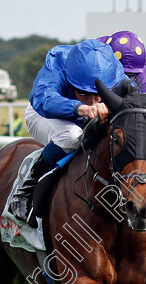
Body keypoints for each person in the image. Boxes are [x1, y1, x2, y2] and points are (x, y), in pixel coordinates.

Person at [8, 39, 126, 222]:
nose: (93, 101)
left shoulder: (114, 72)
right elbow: (43, 99)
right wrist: (81, 108)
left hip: (79, 118)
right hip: (45, 114)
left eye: (99, 95)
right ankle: (27, 185)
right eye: (85, 94)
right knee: (72, 136)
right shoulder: (58, 61)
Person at [100, 30, 146, 97]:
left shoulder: (145, 70)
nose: (126, 78)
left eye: (131, 75)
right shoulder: (95, 55)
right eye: (122, 73)